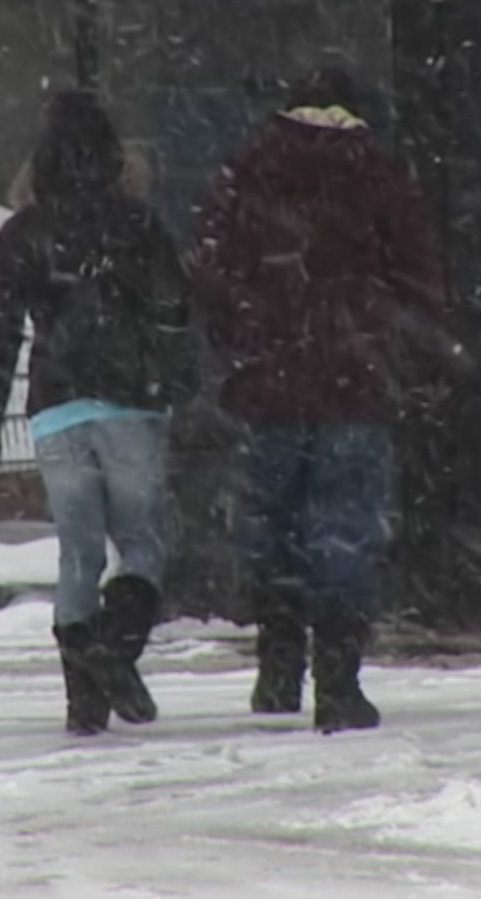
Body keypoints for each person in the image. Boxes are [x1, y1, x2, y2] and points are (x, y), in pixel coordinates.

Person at [190, 67, 452, 734]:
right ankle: (338, 685)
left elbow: (214, 277)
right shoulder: (381, 178)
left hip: (269, 386)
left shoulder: (247, 173)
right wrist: (415, 364)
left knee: (272, 525)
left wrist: (241, 347)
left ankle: (278, 667)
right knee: (342, 530)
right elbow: (419, 283)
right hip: (355, 385)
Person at [0, 89, 196, 736]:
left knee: (78, 554)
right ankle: (114, 649)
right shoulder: (139, 226)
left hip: (56, 407)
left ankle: (83, 703)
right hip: (131, 404)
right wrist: (180, 385)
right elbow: (176, 313)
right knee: (144, 543)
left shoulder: (23, 233)